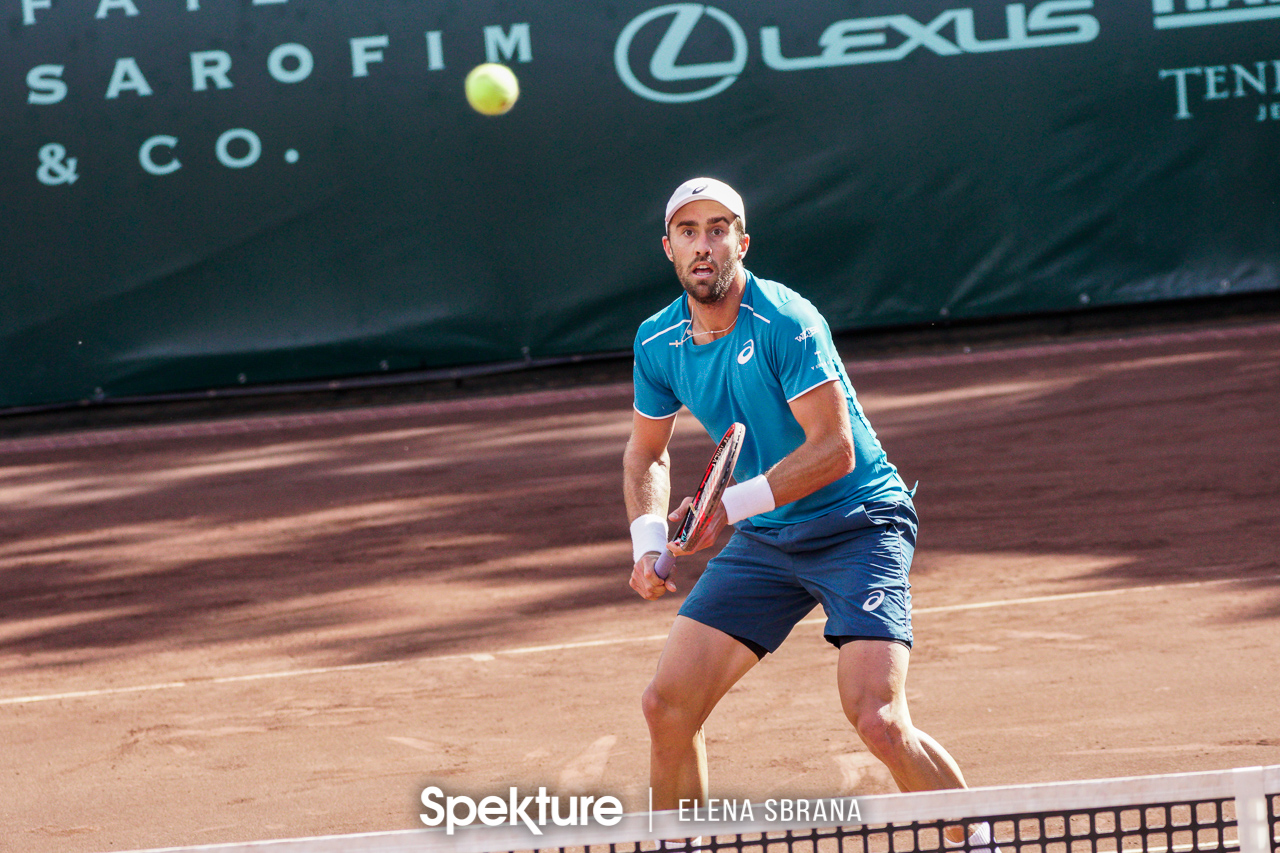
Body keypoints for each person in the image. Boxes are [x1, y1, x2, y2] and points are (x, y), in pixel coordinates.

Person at [623, 177, 986, 835]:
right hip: (768, 537)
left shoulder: (786, 319)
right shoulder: (657, 341)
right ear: (669, 248)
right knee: (667, 705)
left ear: (742, 242)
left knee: (878, 717)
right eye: (688, 231)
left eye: (718, 228)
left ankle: (975, 839)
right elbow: (648, 451)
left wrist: (727, 507)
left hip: (860, 523)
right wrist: (649, 540)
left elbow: (834, 450)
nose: (703, 244)